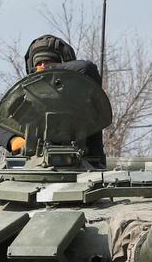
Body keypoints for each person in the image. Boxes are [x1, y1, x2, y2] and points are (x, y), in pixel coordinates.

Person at [22, 34, 107, 165]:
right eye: (38, 63)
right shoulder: (30, 95)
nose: (42, 66)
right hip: (35, 166)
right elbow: (4, 125)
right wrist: (15, 140)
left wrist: (49, 70)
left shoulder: (81, 91)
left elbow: (86, 68)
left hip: (83, 165)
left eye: (48, 61)